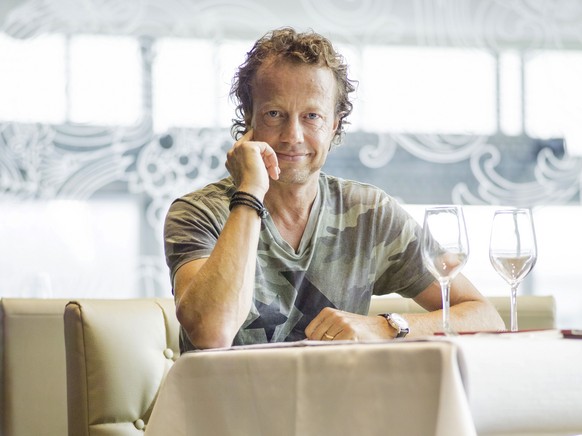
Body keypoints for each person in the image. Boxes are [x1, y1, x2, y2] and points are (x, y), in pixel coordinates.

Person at [164, 27, 505, 351]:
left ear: (334, 125)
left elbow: (485, 318)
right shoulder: (197, 213)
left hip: (336, 409)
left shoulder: (370, 214)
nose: (293, 136)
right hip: (224, 411)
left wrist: (385, 327)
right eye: (274, 113)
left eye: (311, 116)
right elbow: (212, 332)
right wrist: (250, 193)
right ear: (249, 119)